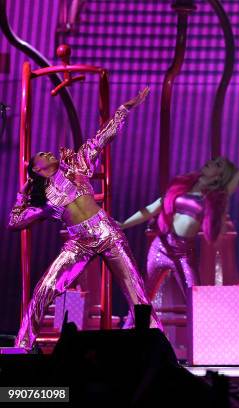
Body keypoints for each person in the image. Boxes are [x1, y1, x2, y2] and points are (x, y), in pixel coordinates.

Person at [8, 88, 161, 351]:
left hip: (107, 233)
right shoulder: (43, 198)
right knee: (44, 288)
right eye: (42, 155)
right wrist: (22, 195)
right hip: (78, 242)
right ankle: (22, 345)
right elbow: (14, 223)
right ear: (36, 168)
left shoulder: (77, 164)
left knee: (136, 293)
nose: (49, 153)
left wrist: (124, 109)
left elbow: (102, 138)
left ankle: (158, 348)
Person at [120, 118, 239, 309]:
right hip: (160, 246)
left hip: (183, 252)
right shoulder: (181, 186)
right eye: (213, 161)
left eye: (217, 165)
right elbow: (151, 208)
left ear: (220, 176)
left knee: (195, 299)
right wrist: (122, 225)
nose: (211, 162)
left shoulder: (215, 195)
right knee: (145, 297)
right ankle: (131, 330)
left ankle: (200, 338)